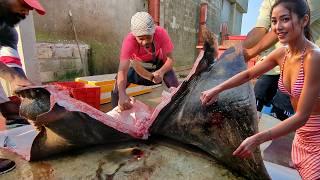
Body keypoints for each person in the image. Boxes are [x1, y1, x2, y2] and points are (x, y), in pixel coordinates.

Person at [201, 0, 320, 178]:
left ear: (304, 20)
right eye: (273, 21)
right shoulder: (283, 53)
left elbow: (302, 117)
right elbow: (248, 75)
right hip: (301, 136)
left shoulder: (313, 58)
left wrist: (259, 137)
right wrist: (217, 89)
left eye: (285, 19)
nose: (278, 27)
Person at [243, 0, 320, 121]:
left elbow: (287, 28)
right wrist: (237, 52)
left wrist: (250, 53)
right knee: (251, 104)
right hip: (273, 67)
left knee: (281, 116)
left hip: (301, 67)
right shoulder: (269, 1)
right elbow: (260, 29)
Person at [0, 0, 45, 175]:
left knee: (11, 108)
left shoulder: (8, 31)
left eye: (30, 8)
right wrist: (12, 77)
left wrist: (23, 84)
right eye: (24, 5)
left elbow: (13, 67)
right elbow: (11, 74)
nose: (27, 13)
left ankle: (17, 134)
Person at [111, 12, 179, 111]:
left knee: (177, 92)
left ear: (153, 32)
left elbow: (170, 59)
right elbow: (122, 70)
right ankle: (115, 118)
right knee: (117, 89)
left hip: (159, 67)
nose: (145, 42)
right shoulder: (129, 41)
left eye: (148, 37)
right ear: (134, 36)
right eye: (141, 38)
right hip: (138, 68)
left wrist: (161, 72)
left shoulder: (161, 33)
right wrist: (122, 95)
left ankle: (177, 114)